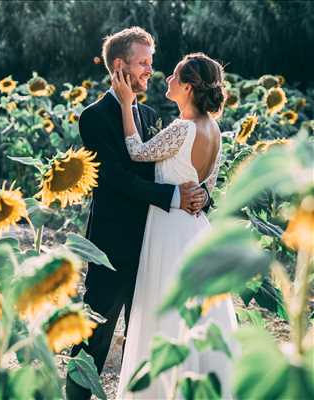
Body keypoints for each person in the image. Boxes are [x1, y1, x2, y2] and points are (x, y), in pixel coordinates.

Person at [66, 27, 211, 400]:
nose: (150, 70)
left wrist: (198, 193)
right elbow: (116, 179)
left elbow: (173, 166)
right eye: (143, 62)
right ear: (120, 65)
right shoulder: (94, 117)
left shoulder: (146, 113)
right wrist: (176, 198)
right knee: (92, 340)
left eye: (151, 62)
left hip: (156, 247)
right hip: (113, 249)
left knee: (151, 339)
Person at [113, 52, 238, 399]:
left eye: (174, 77)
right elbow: (205, 190)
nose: (166, 79)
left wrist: (126, 104)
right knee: (197, 315)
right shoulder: (214, 129)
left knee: (164, 309)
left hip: (169, 230)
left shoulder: (183, 128)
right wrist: (197, 198)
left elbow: (137, 151)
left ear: (186, 87)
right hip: (196, 229)